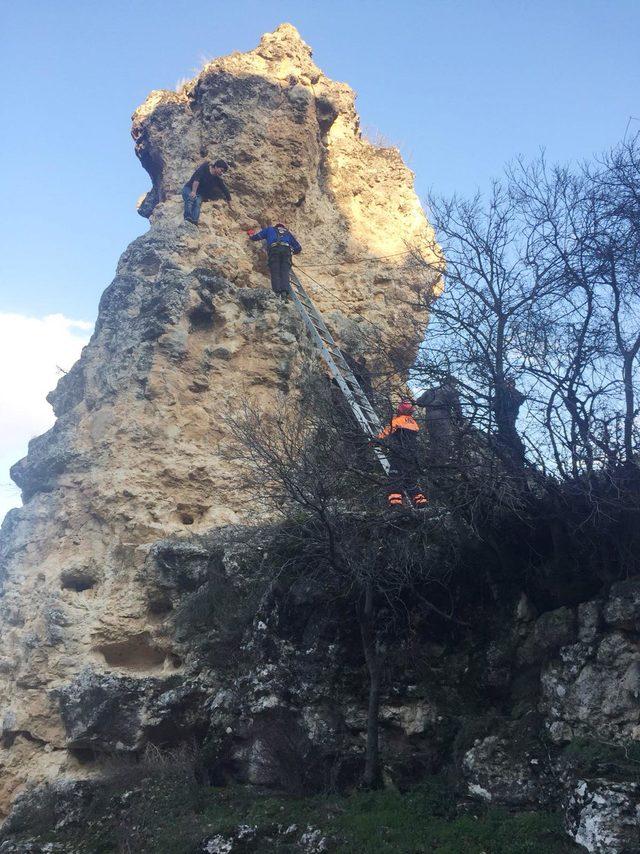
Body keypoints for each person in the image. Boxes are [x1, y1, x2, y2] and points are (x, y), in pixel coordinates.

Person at [376, 399, 428, 509]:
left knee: (395, 477)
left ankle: (396, 503)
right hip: (412, 456)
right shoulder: (413, 422)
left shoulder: (398, 420)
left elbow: (387, 432)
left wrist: (376, 440)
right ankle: (421, 502)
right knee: (410, 480)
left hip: (400, 453)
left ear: (400, 409)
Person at [248, 223, 302, 297]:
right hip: (286, 251)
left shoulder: (270, 229)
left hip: (274, 249)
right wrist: (292, 252)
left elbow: (258, 236)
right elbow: (298, 248)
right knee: (285, 271)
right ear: (282, 228)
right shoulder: (287, 233)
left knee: (275, 270)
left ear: (276, 226)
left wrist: (251, 235)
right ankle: (285, 292)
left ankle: (277, 292)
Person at [182, 159, 231, 224]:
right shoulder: (204, 169)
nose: (222, 173)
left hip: (199, 194)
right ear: (216, 166)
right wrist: (193, 191)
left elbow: (225, 190)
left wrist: (230, 203)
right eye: (221, 170)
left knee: (197, 203)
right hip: (189, 188)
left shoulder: (217, 179)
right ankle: (187, 218)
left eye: (223, 172)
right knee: (191, 198)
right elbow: (197, 179)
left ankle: (194, 221)